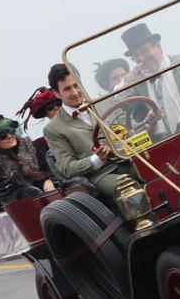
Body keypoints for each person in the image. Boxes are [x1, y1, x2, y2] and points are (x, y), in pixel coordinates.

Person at [43, 64, 136, 198]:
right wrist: (96, 159)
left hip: (129, 159)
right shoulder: (53, 129)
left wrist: (152, 121)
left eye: (76, 85)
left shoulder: (106, 101)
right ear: (56, 93)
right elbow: (67, 167)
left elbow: (132, 128)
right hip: (102, 174)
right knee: (126, 188)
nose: (75, 92)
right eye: (67, 89)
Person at [0, 116, 55, 196]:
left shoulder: (33, 146)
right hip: (27, 200)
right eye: (3, 136)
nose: (9, 136)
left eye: (11, 131)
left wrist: (48, 179)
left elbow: (50, 165)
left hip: (52, 189)